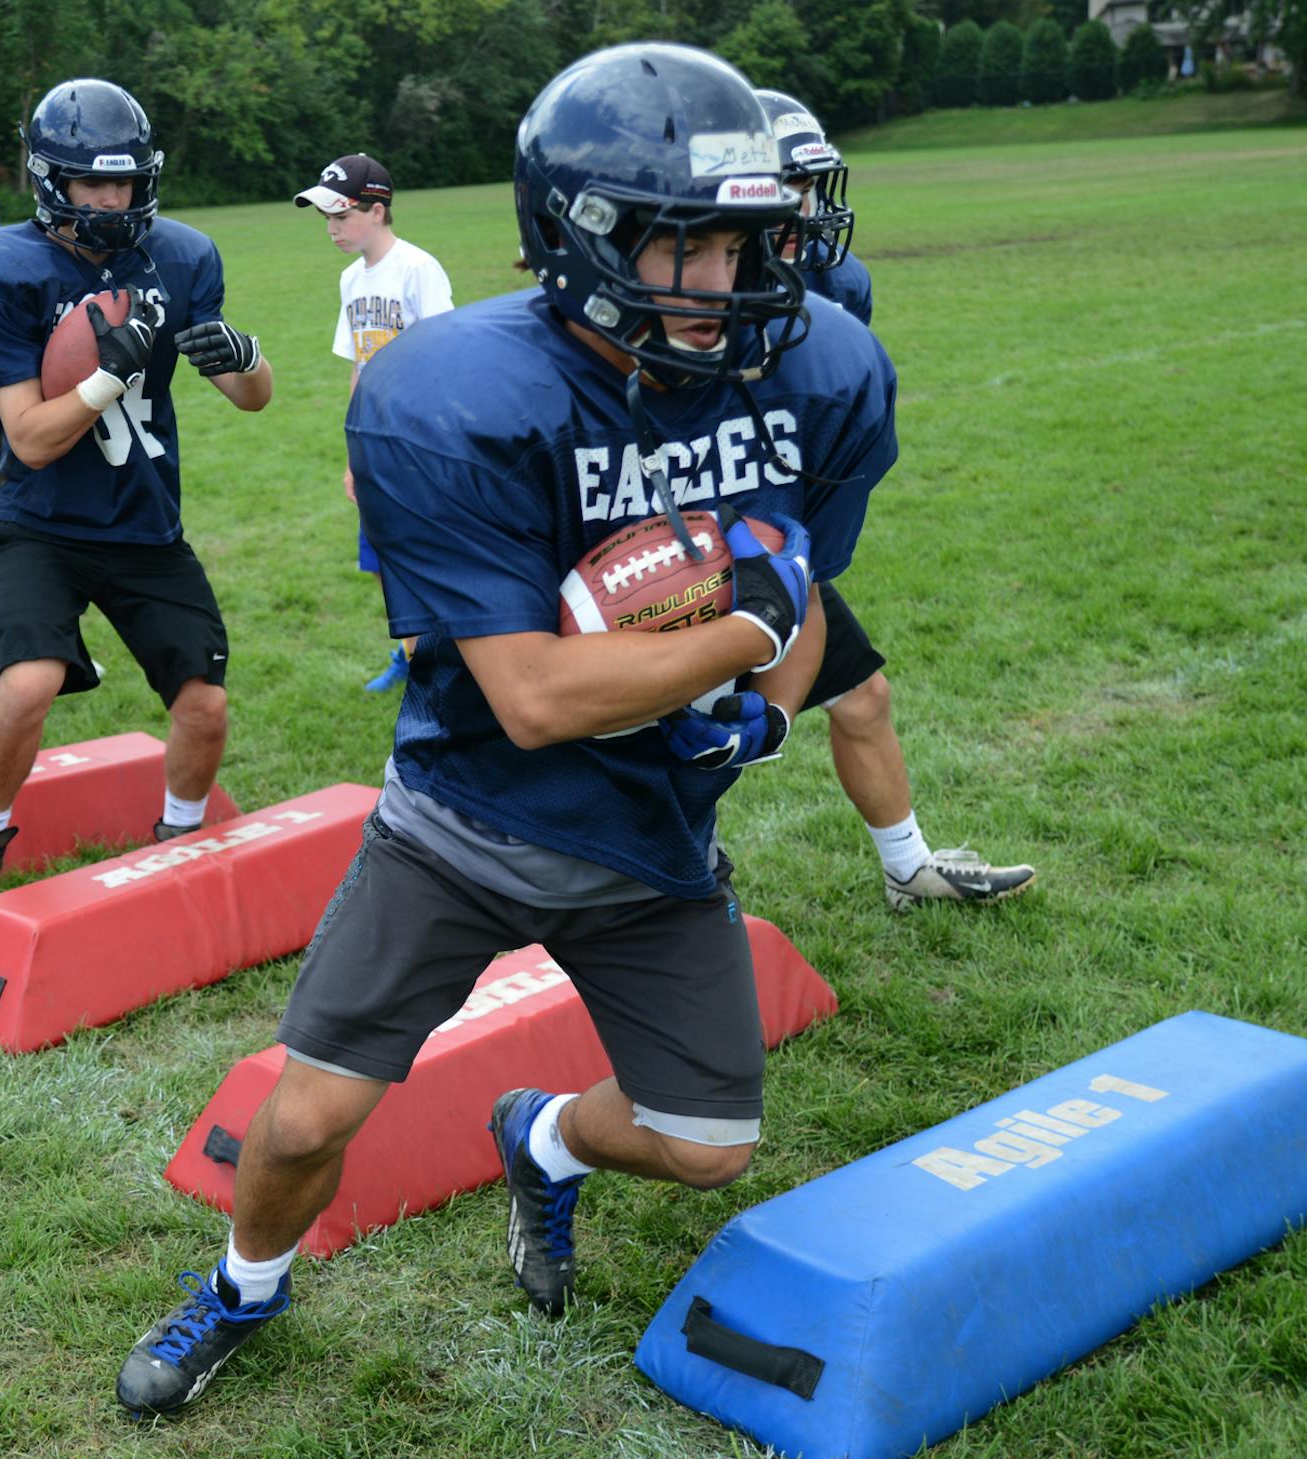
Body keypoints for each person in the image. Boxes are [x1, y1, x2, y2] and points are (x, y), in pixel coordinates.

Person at [115, 44, 897, 1416]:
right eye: (688, 243)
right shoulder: (452, 390)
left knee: (707, 1140)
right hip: (468, 818)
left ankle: (539, 1134)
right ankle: (245, 1284)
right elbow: (531, 696)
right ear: (580, 234)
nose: (730, 281)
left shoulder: (819, 367)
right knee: (305, 1118)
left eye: (751, 240)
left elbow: (806, 597)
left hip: (652, 829)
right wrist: (744, 633)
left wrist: (765, 721)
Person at [0, 78, 273, 920]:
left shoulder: (180, 255)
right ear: (49, 180)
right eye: (91, 182)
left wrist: (248, 356)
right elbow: (28, 437)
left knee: (205, 707)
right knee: (26, 685)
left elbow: (251, 398)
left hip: (145, 519)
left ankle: (177, 837)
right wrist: (109, 374)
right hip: (41, 520)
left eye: (124, 181)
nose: (111, 198)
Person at [756, 88, 1035, 911]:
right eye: (789, 192)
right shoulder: (693, 295)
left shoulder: (839, 281)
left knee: (859, 695)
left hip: (779, 531)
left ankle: (907, 866)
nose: (809, 213)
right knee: (684, 737)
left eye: (813, 190)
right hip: (694, 542)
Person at [293, 153, 452, 692]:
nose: (333, 229)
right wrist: (354, 454)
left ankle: (442, 661)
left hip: (420, 445)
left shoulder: (417, 268)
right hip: (376, 444)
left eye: (342, 216)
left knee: (424, 555)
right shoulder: (350, 280)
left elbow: (446, 361)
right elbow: (360, 369)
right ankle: (407, 656)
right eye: (328, 219)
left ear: (378, 210)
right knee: (385, 555)